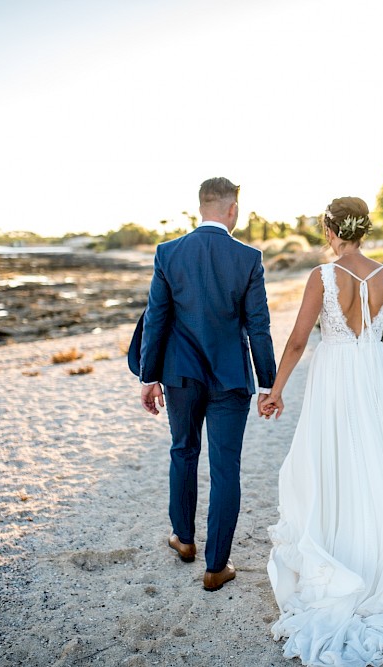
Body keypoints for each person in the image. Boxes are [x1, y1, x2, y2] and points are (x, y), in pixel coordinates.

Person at [260, 197, 383, 666]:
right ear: (364, 229)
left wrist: (276, 390)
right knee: (375, 462)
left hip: (337, 375)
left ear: (330, 231)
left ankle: (338, 552)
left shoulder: (322, 277)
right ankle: (374, 558)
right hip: (374, 372)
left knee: (334, 459)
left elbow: (300, 339)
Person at [138, 176, 276, 592]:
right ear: (232, 209)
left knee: (183, 450)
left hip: (179, 375)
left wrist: (148, 376)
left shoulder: (169, 253)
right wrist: (268, 384)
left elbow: (156, 319)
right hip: (231, 377)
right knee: (225, 467)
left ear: (202, 206)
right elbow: (259, 326)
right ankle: (216, 567)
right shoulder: (248, 257)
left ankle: (183, 539)